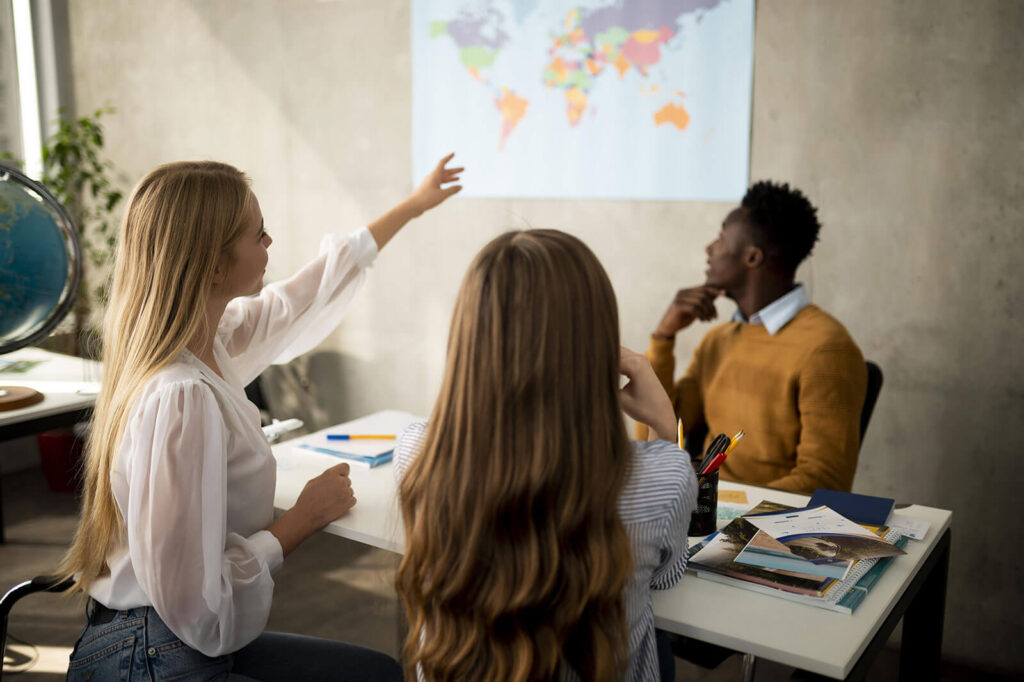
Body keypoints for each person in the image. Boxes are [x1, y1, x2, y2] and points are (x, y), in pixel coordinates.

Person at [58, 155, 463, 681]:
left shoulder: (210, 342)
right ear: (215, 266)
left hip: (168, 637)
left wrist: (411, 206)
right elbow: (197, 609)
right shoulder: (181, 396)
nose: (270, 244)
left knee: (376, 672)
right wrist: (301, 519)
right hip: (152, 653)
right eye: (259, 234)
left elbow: (303, 293)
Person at [393, 229, 698, 682]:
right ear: (595, 345)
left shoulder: (417, 449)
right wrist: (663, 425)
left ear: (470, 340)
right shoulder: (664, 475)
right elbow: (666, 577)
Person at [641, 181, 867, 494]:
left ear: (752, 257)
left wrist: (716, 500)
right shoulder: (718, 341)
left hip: (763, 531)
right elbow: (657, 437)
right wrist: (663, 337)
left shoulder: (826, 349)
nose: (709, 249)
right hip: (705, 515)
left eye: (720, 238)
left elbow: (825, 483)